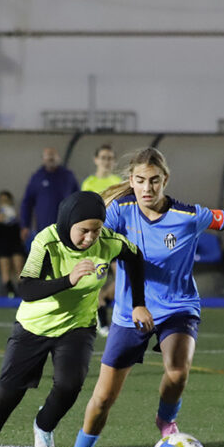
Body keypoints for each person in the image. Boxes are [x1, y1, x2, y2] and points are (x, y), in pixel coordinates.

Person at [49, 148, 224, 447]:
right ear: (131, 182)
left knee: (178, 371)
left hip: (179, 306)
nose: (147, 188)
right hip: (130, 312)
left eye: (154, 181)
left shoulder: (189, 216)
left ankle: (166, 421)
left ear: (165, 180)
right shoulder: (120, 212)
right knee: (105, 396)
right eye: (140, 181)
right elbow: (92, 236)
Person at [0, 191, 152, 447]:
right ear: (67, 223)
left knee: (70, 385)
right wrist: (68, 280)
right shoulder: (46, 242)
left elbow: (135, 258)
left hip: (77, 326)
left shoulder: (109, 243)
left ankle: (44, 425)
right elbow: (26, 289)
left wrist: (138, 304)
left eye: (96, 230)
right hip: (33, 327)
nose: (90, 238)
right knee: (7, 396)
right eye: (83, 231)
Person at [80, 144, 124, 336]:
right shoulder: (88, 183)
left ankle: (104, 301)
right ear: (96, 159)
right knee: (96, 278)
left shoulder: (118, 182)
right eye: (103, 157)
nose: (106, 161)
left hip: (114, 235)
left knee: (124, 277)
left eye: (110, 158)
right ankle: (102, 320)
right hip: (96, 237)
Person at [20, 147, 79, 241]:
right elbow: (27, 203)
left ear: (58, 158)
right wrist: (25, 225)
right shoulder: (37, 177)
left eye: (53, 157)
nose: (50, 160)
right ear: (43, 159)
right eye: (48, 157)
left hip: (66, 226)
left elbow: (78, 199)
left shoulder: (68, 176)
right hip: (44, 226)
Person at [0, 190, 26, 297]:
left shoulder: (17, 215)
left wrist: (17, 222)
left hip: (15, 242)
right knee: (5, 265)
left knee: (19, 264)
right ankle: (10, 290)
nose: (5, 202)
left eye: (6, 200)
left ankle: (22, 287)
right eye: (2, 200)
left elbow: (21, 231)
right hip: (2, 243)